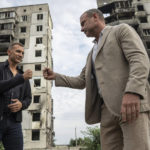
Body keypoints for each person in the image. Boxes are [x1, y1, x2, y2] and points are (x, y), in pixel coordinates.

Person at [43, 9, 150, 150]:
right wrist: (55, 76)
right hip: (106, 111)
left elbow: (139, 59)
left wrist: (133, 92)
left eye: (83, 23)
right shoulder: (91, 54)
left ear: (95, 17)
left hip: (130, 104)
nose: (81, 29)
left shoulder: (120, 31)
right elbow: (81, 81)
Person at [0, 43, 32, 150]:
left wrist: (21, 104)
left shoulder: (22, 76)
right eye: (18, 51)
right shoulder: (0, 68)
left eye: (23, 53)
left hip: (14, 122)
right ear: (9, 52)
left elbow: (28, 98)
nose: (21, 55)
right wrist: (20, 78)